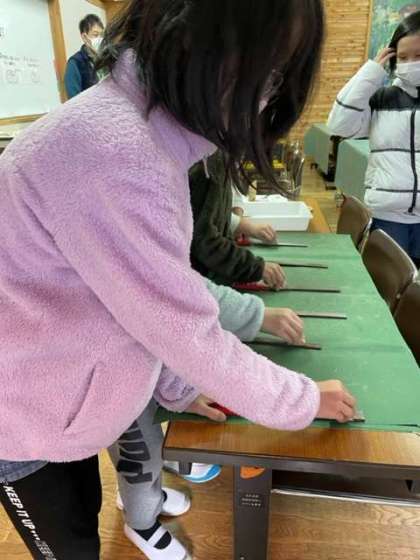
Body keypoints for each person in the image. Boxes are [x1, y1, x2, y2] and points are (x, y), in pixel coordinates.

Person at [0, 1, 355, 558]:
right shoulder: (119, 154)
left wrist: (176, 386)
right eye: (268, 70)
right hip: (21, 415)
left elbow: (136, 300)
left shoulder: (138, 134)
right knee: (70, 544)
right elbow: (184, 330)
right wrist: (305, 400)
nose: (268, 96)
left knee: (84, 509)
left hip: (61, 398)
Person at [111, 279, 306, 560]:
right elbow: (170, 291)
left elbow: (164, 291)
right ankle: (140, 524)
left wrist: (177, 388)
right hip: (110, 370)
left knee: (141, 441)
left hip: (126, 349)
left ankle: (135, 499)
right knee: (140, 449)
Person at [327, 10, 420, 266]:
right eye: (403, 57)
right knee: (386, 284)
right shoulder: (381, 100)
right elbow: (339, 125)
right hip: (389, 216)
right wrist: (371, 72)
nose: (411, 63)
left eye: (419, 56)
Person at [189, 151, 286, 289]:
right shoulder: (208, 161)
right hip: (194, 281)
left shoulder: (220, 154)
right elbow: (204, 241)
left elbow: (218, 210)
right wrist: (253, 267)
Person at [64, 14, 105, 99]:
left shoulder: (106, 59)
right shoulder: (75, 63)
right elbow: (74, 100)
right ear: (84, 37)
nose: (100, 39)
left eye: (102, 35)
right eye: (96, 35)